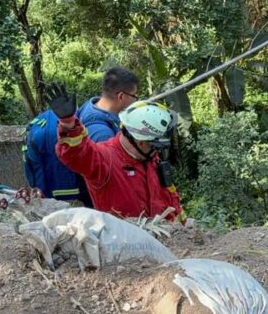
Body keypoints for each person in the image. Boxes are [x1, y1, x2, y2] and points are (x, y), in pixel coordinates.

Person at [47, 84, 183, 220]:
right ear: (141, 142)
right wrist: (68, 124)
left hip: (161, 232)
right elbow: (77, 154)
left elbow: (169, 197)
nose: (157, 151)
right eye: (156, 146)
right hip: (122, 233)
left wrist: (182, 224)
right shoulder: (105, 160)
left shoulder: (149, 159)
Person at [22, 67, 139, 206]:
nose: (135, 100)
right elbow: (108, 176)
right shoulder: (101, 133)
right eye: (134, 96)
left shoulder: (92, 105)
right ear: (121, 96)